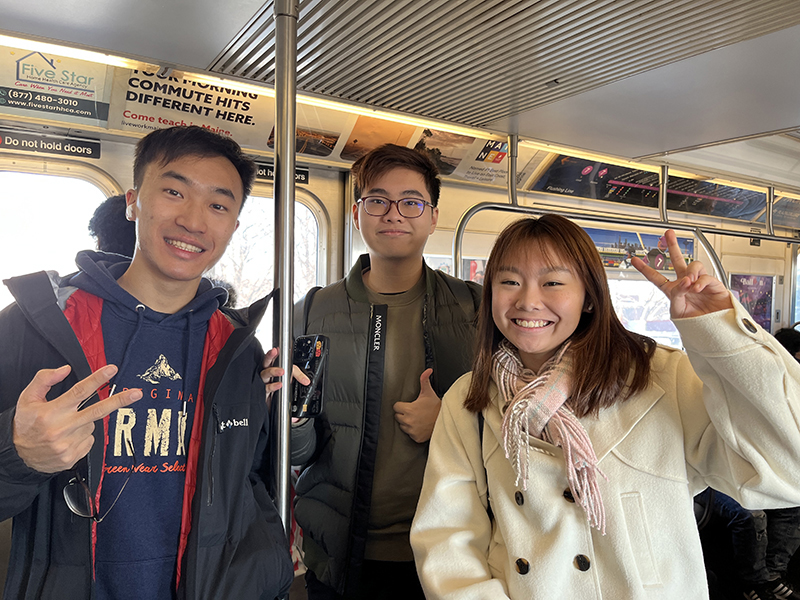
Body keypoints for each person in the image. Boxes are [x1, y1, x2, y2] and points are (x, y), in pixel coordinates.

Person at [409, 215, 800, 599]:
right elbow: (447, 538)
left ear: (590, 298)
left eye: (553, 282)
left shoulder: (660, 376)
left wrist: (720, 333)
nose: (527, 301)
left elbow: (786, 470)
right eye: (509, 282)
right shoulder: (470, 398)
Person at [0, 125, 301, 599]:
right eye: (175, 192)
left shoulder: (237, 348)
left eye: (218, 205)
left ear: (233, 227)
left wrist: (280, 411)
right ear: (133, 201)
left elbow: (250, 480)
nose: (194, 221)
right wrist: (16, 452)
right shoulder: (37, 328)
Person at [288, 144, 481, 599]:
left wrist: (452, 423)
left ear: (433, 217)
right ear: (357, 213)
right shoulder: (313, 311)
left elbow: (514, 422)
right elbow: (299, 450)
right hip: (340, 551)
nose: (394, 214)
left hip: (451, 547)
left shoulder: (475, 308)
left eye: (411, 202)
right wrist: (291, 423)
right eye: (377, 200)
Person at [696, 326, 800, 600]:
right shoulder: (725, 384)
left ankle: (773, 574)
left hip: (749, 468)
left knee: (794, 505)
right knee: (751, 514)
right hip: (711, 474)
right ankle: (753, 582)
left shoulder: (781, 393)